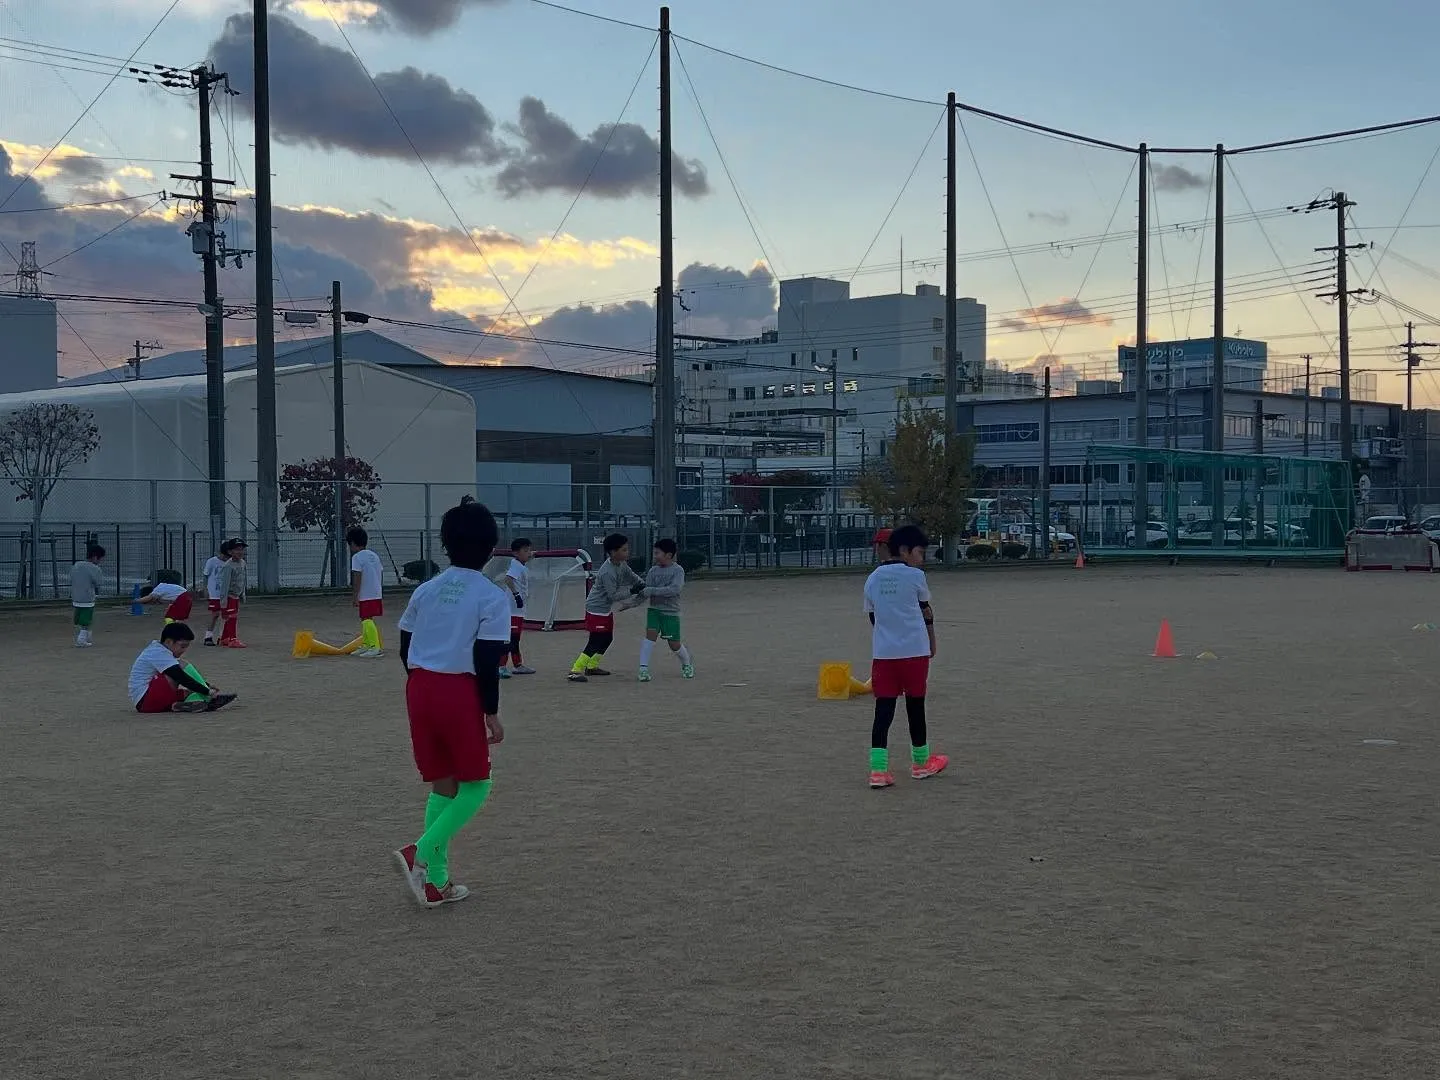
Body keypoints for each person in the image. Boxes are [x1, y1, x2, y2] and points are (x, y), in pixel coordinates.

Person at [391, 500, 510, 909]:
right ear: (492, 547)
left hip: (419, 686)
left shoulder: (426, 589)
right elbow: (486, 660)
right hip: (457, 689)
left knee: (444, 781)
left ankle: (435, 882)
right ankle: (419, 853)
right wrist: (490, 712)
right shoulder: (491, 596)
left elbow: (405, 645)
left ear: (445, 545)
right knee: (478, 784)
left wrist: (423, 684)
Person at [863, 524, 948, 789]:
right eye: (920, 552)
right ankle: (920, 763)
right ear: (905, 550)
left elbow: (873, 616)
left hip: (885, 654)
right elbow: (926, 611)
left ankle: (878, 770)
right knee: (915, 707)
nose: (921, 559)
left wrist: (888, 637)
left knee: (883, 711)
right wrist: (932, 641)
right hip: (915, 652)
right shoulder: (915, 577)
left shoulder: (873, 578)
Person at [568, 532, 645, 683]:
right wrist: (632, 591)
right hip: (596, 608)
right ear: (612, 552)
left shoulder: (621, 564)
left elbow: (633, 577)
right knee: (596, 640)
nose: (627, 552)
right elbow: (613, 596)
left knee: (607, 638)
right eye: (623, 550)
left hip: (604, 609)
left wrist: (642, 584)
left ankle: (592, 666)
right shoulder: (607, 572)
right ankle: (575, 670)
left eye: (627, 549)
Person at [127, 622, 237, 714]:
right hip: (145, 700)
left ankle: (179, 705)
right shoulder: (158, 653)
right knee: (181, 665)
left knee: (189, 692)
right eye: (182, 646)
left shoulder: (159, 650)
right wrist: (206, 690)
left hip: (148, 701)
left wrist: (205, 684)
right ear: (169, 642)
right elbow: (180, 676)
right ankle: (209, 698)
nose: (184, 650)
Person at [638, 538, 694, 682]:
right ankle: (643, 669)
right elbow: (646, 591)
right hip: (654, 610)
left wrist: (651, 590)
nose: (655, 556)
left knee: (674, 644)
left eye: (657, 553)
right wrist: (630, 603)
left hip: (670, 612)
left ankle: (687, 664)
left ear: (668, 555)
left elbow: (674, 589)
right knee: (649, 637)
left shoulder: (678, 570)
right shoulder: (653, 571)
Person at [499, 538, 536, 677]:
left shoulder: (520, 564)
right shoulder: (515, 566)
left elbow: (529, 556)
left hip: (518, 611)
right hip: (512, 610)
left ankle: (518, 665)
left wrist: (532, 554)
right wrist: (516, 595)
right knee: (510, 638)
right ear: (516, 553)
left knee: (515, 638)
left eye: (529, 550)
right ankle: (501, 666)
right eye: (525, 551)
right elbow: (508, 579)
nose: (529, 553)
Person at [348, 526, 386, 658]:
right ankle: (366, 644)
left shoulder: (357, 557)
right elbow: (380, 572)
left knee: (366, 619)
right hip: (376, 592)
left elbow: (357, 577)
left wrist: (355, 595)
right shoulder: (373, 555)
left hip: (365, 594)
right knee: (366, 618)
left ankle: (375, 647)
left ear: (352, 543)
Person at [70, 543, 106, 648]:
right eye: (100, 559)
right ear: (95, 557)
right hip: (88, 598)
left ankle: (83, 637)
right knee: (86, 620)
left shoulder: (76, 565)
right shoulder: (95, 568)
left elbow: (71, 578)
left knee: (78, 619)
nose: (100, 562)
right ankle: (82, 640)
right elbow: (99, 583)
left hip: (76, 597)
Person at [217, 539, 248, 649]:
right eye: (237, 550)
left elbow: (243, 579)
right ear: (230, 552)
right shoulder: (228, 566)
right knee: (231, 617)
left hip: (236, 595)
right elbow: (224, 586)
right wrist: (223, 603)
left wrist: (243, 594)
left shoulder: (243, 563)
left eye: (241, 549)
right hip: (229, 596)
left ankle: (225, 638)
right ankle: (232, 639)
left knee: (232, 616)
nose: (240, 552)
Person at [200, 540, 230, 645]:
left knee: (225, 616)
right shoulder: (212, 561)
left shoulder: (230, 563)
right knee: (215, 615)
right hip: (214, 593)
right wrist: (205, 589)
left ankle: (222, 637)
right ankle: (208, 637)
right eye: (225, 555)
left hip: (225, 593)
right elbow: (206, 575)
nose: (226, 558)